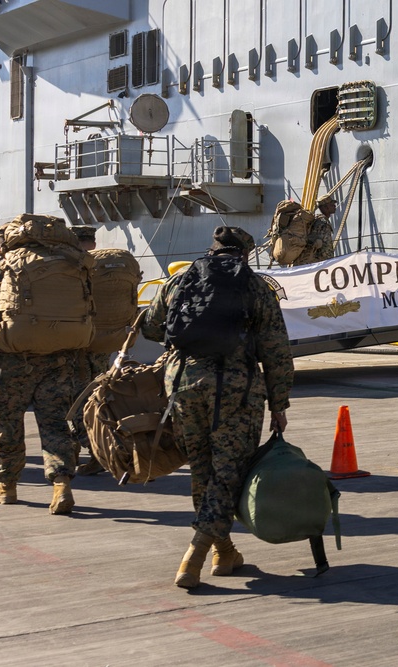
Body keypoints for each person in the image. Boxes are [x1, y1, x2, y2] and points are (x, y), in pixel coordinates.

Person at [141, 226, 294, 589]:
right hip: (235, 390)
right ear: (244, 253)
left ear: (213, 249)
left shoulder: (180, 280)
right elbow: (275, 350)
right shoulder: (257, 287)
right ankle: (195, 554)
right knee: (228, 473)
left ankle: (224, 552)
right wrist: (279, 403)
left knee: (202, 470)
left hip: (184, 386)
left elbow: (151, 328)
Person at [0, 222, 83, 515]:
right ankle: (61, 484)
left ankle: (7, 486)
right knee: (55, 424)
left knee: (9, 424)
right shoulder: (72, 270)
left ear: (1, 247)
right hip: (58, 362)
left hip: (11, 365)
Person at [66, 225, 106, 475]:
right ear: (93, 243)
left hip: (77, 347)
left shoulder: (70, 267)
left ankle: (91, 453)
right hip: (102, 346)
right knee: (99, 400)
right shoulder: (105, 266)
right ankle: (100, 452)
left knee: (75, 403)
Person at [290, 195, 336, 266]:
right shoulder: (323, 222)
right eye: (332, 204)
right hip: (317, 263)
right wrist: (329, 262)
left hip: (309, 262)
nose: (334, 206)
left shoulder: (316, 220)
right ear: (326, 207)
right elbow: (325, 247)